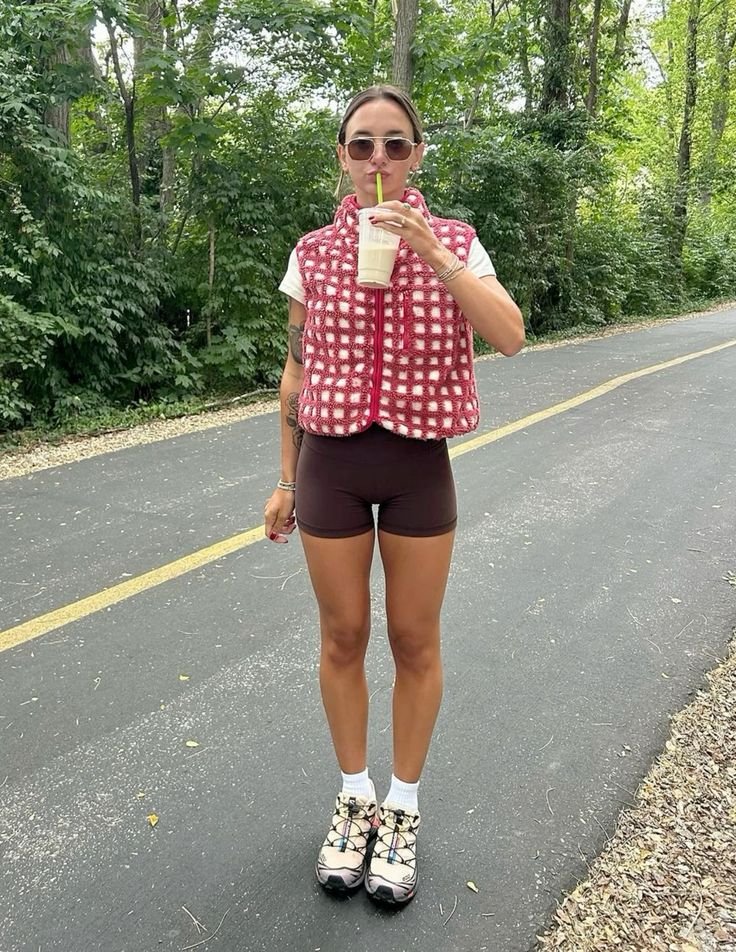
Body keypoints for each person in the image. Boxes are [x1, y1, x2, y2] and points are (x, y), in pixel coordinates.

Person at [263, 85, 524, 906]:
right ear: (341, 155)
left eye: (395, 145)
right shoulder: (310, 252)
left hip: (417, 467)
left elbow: (510, 337)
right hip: (330, 465)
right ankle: (354, 796)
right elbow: (296, 373)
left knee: (415, 640)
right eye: (362, 144)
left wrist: (434, 253)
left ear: (416, 156)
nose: (378, 159)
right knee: (343, 636)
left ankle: (402, 809)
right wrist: (282, 477)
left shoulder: (458, 240)